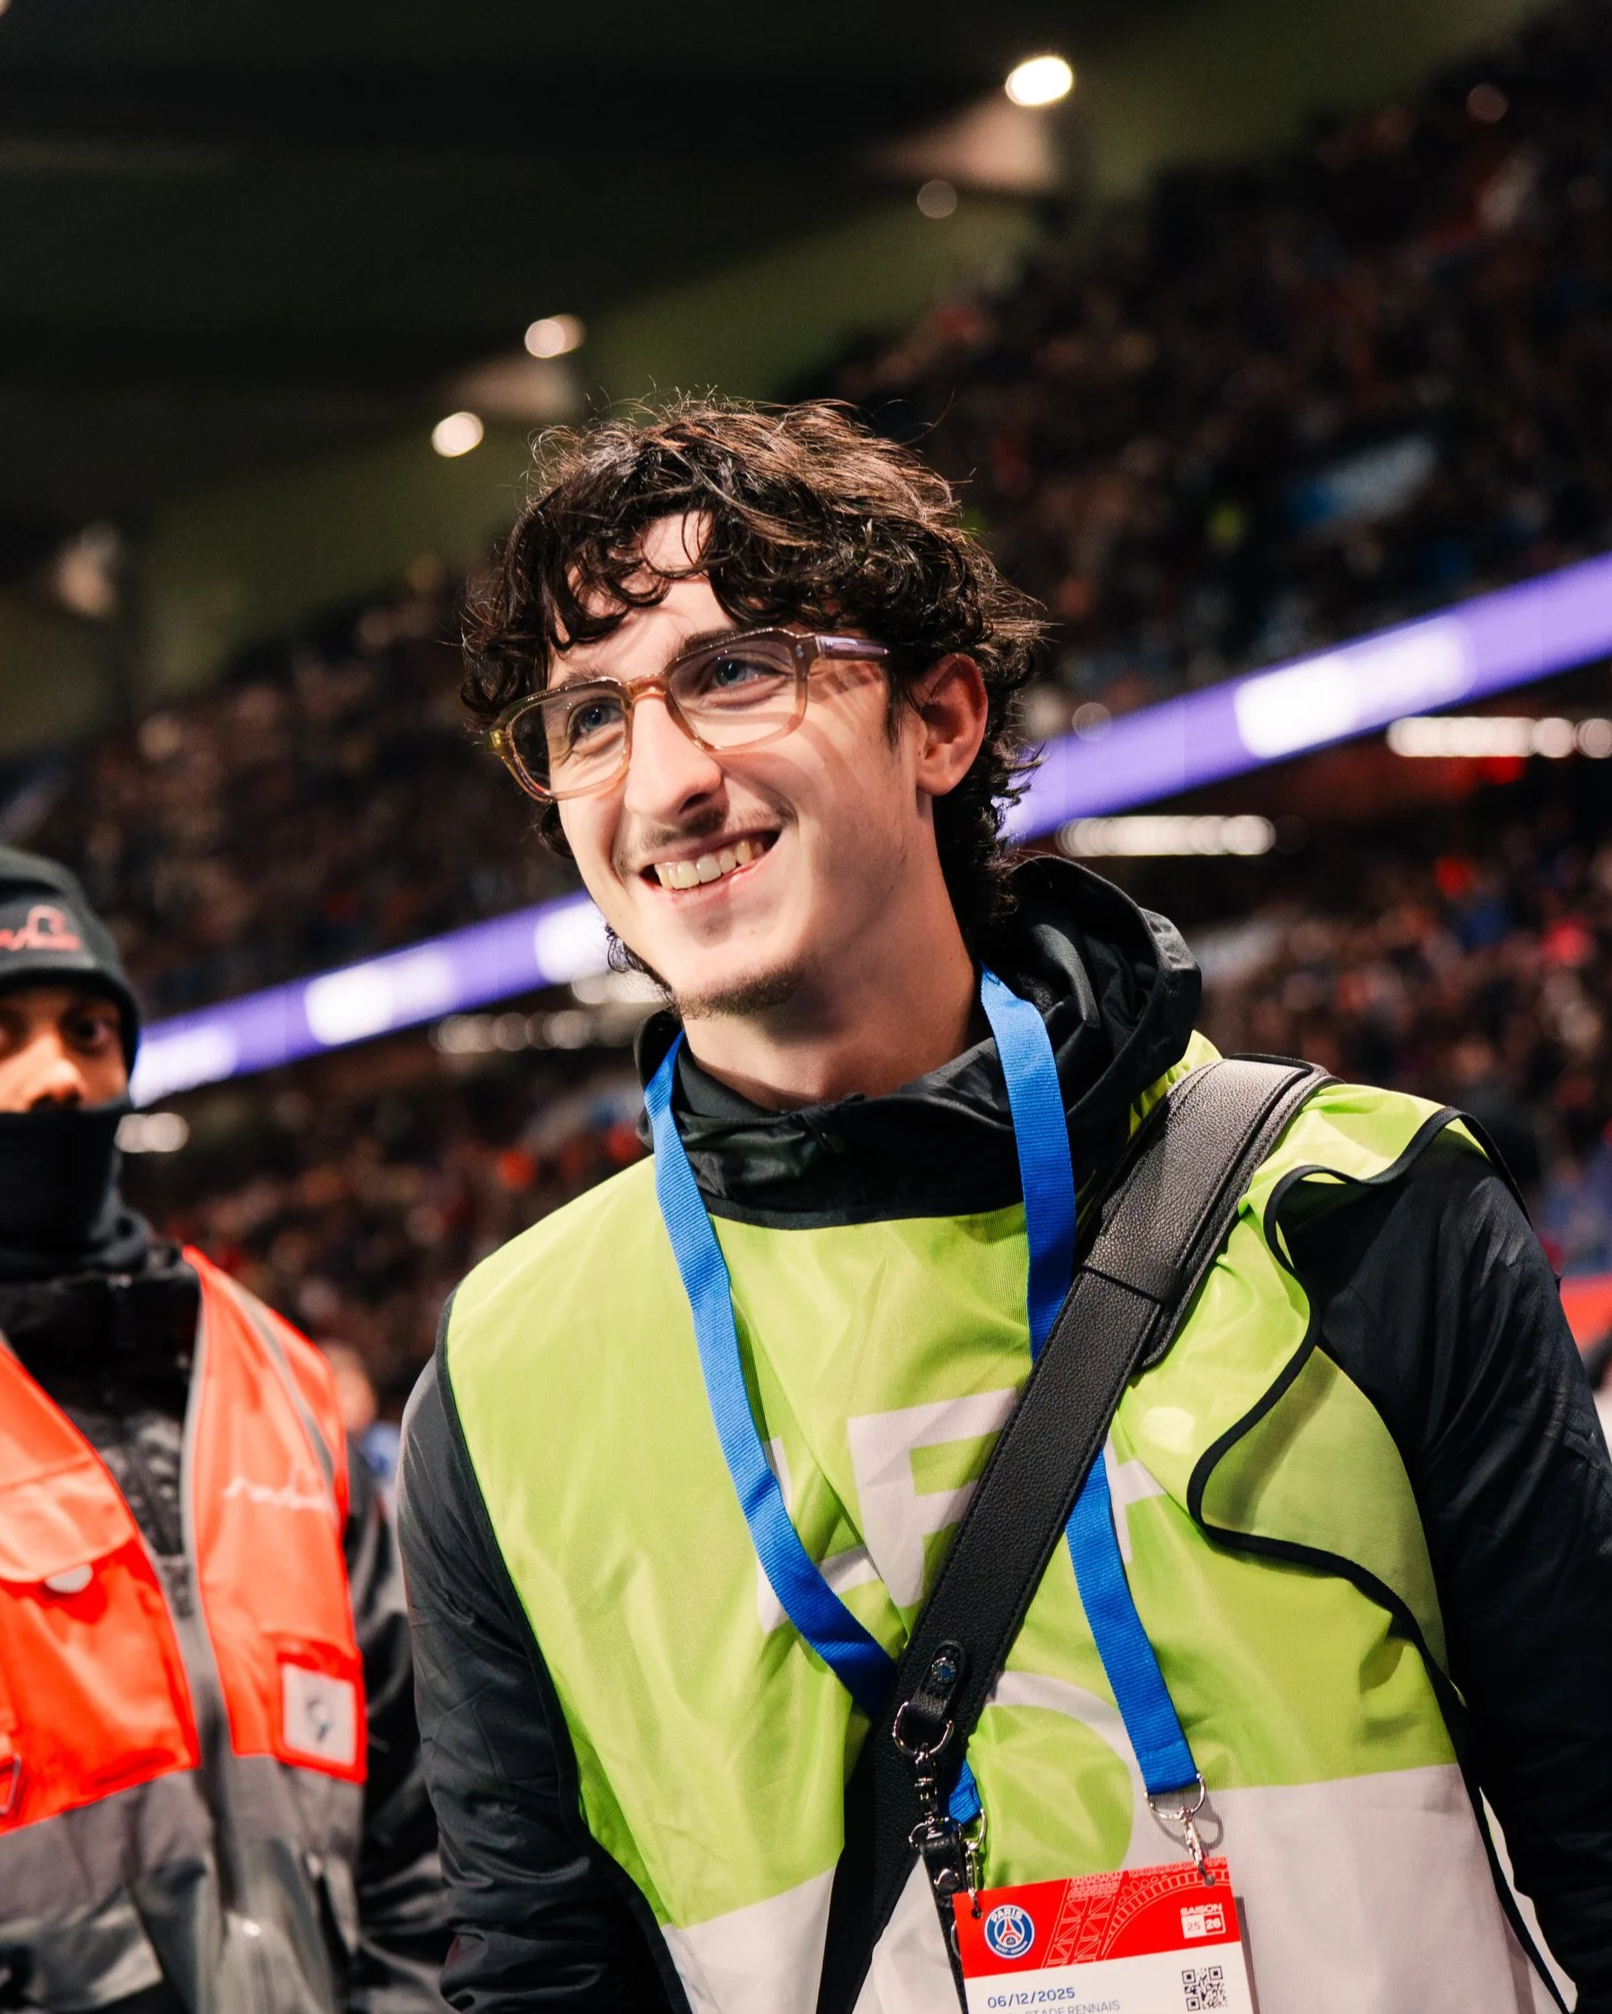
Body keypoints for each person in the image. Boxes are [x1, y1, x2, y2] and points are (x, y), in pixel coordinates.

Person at [397, 400, 1612, 2014]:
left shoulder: (1363, 1209)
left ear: (941, 717)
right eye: (586, 718)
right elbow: (544, 1981)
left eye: (734, 669)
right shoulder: (504, 1384)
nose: (662, 779)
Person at [0, 846, 448, 2013]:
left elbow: (413, 1815)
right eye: (2, 1034)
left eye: (91, 1032)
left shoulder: (278, 1376)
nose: (55, 1077)